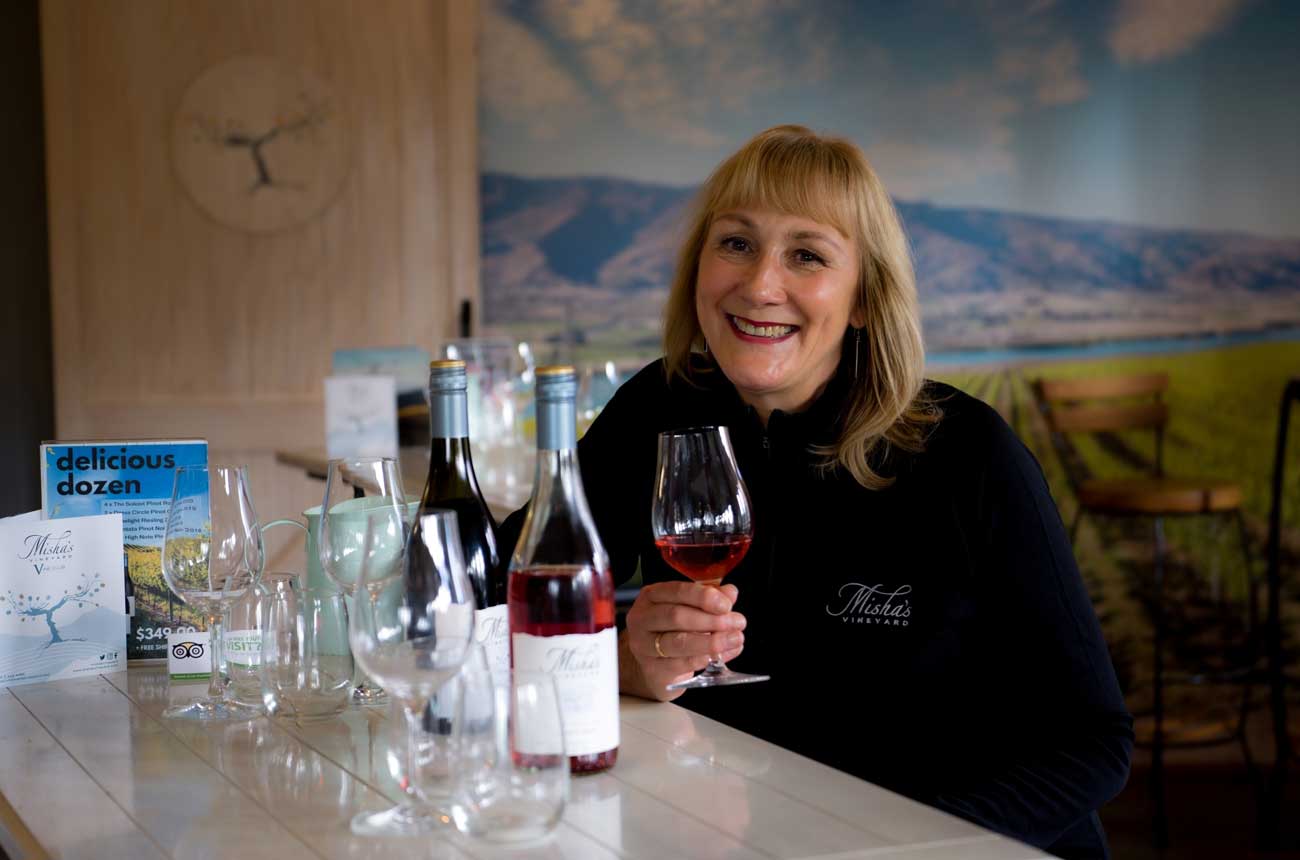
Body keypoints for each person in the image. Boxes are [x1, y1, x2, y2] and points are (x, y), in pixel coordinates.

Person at [501, 125, 1133, 859]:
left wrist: (892, 849)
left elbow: (1092, 743)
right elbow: (499, 595)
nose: (760, 284)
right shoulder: (662, 407)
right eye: (735, 243)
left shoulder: (966, 453)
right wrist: (623, 663)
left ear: (864, 297)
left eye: (807, 255)